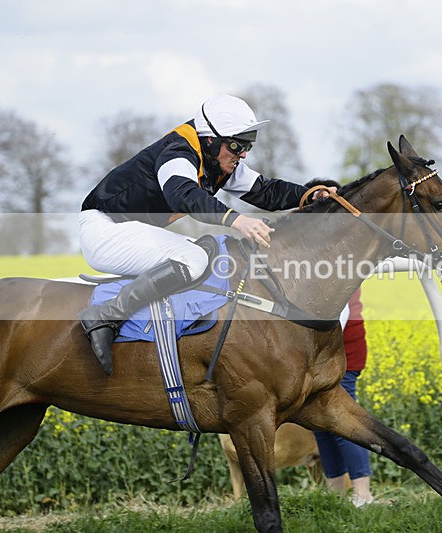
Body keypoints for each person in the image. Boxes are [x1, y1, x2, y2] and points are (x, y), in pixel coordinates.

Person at [78, 94, 335, 375]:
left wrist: (310, 195)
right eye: (237, 145)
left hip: (128, 230)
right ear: (210, 139)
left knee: (209, 256)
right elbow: (182, 194)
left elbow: (266, 190)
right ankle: (106, 316)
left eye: (248, 145)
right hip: (105, 231)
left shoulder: (218, 161)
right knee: (194, 259)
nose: (244, 154)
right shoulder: (178, 151)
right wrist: (235, 220)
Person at [306, 178, 374, 508]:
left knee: (344, 419)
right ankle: (336, 492)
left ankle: (363, 493)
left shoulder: (346, 246)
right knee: (319, 422)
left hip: (341, 344)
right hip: (311, 347)